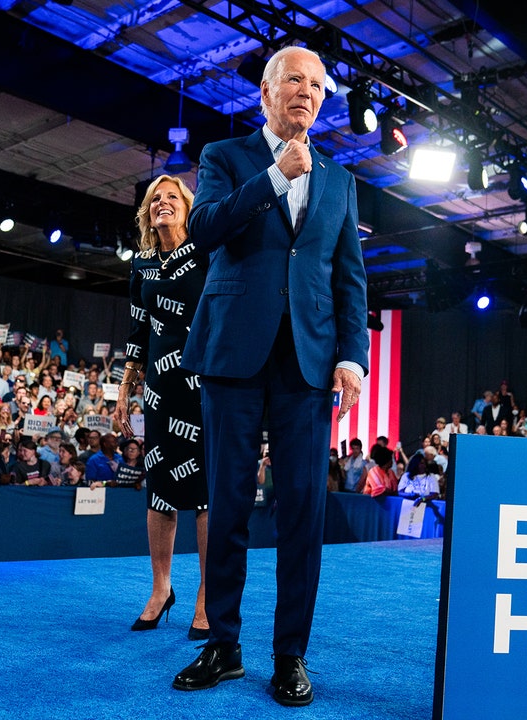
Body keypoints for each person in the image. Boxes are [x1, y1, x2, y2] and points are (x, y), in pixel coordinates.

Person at [171, 46, 368, 707]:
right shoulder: (225, 158)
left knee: (304, 514)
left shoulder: (342, 181)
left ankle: (290, 654)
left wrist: (352, 358)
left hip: (309, 367)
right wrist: (276, 177)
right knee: (227, 505)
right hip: (232, 356)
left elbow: (348, 279)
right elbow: (203, 231)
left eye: (317, 85)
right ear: (265, 89)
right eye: (294, 80)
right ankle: (222, 645)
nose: (307, 92)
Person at [107, 173, 213, 639]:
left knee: (207, 493)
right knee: (161, 490)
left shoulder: (208, 253)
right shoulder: (143, 264)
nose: (163, 203)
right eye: (155, 199)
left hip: (205, 386)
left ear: (188, 208)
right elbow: (138, 331)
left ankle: (208, 596)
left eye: (172, 197)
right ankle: (160, 589)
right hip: (158, 391)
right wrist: (124, 389)